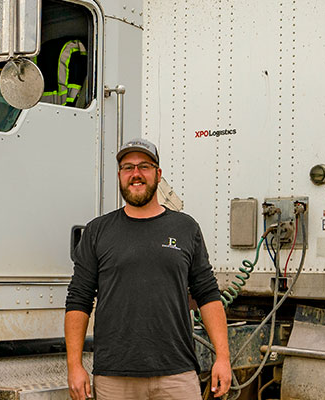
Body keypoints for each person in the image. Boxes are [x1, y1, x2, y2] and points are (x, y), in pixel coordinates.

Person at [65, 138, 232, 399]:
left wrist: (222, 358)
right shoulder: (98, 231)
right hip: (114, 376)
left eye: (144, 166)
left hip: (177, 374)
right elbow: (78, 299)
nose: (136, 174)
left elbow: (208, 294)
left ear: (158, 173)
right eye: (127, 167)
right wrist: (74, 366)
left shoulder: (186, 228)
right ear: (119, 175)